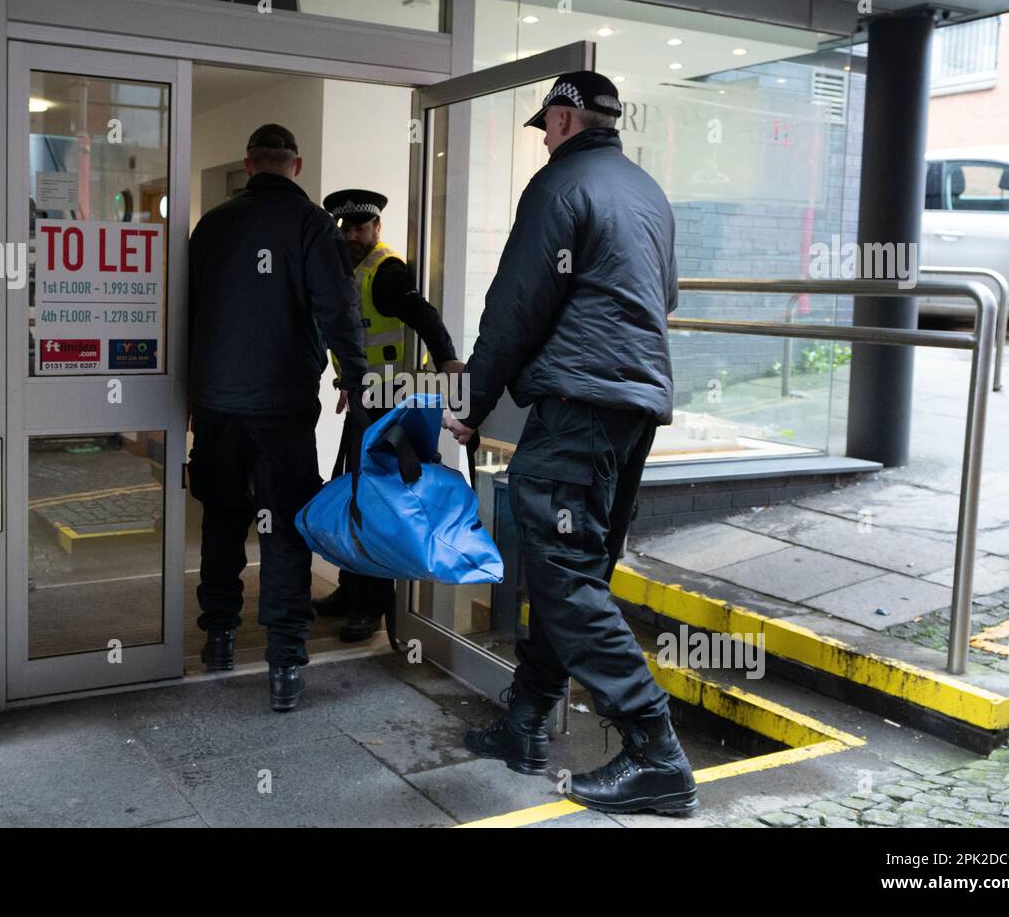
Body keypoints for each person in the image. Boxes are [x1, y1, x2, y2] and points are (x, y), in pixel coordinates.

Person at [443, 72, 697, 815]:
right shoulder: (646, 191)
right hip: (633, 408)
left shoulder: (560, 186)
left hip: (581, 405)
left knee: (559, 567)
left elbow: (517, 304)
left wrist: (472, 402)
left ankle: (655, 750)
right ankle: (525, 721)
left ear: (562, 118)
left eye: (546, 125)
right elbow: (665, 294)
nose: (544, 138)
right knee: (575, 564)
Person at [187, 123, 367, 712]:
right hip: (283, 404)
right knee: (284, 525)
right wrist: (356, 379)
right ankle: (285, 664)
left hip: (216, 402)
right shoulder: (312, 224)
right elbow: (337, 310)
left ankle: (218, 635)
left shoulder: (213, 224)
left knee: (222, 515)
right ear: (297, 165)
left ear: (248, 163)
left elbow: (186, 313)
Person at [312, 188, 463, 644]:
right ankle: (351, 588)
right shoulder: (349, 271)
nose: (353, 235)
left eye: (360, 227)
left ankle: (371, 606)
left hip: (389, 406)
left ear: (377, 228)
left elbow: (425, 317)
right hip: (364, 402)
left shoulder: (386, 271)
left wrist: (449, 362)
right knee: (356, 494)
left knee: (377, 504)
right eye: (346, 228)